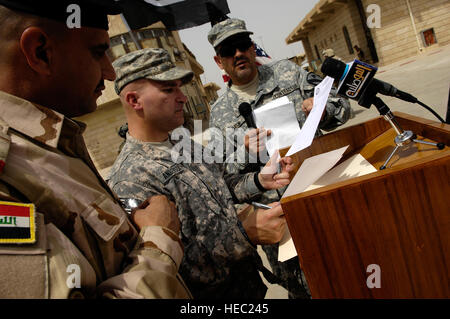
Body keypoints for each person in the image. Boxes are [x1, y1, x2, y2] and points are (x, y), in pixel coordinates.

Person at [0, 1, 190, 298]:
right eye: (98, 52)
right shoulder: (9, 168)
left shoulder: (51, 145)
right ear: (41, 52)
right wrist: (159, 241)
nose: (111, 72)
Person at [108, 48, 294, 299]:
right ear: (134, 101)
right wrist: (243, 235)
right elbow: (161, 269)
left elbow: (224, 184)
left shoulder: (182, 142)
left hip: (248, 287)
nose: (183, 97)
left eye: (179, 88)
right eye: (168, 89)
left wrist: (259, 180)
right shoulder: (130, 178)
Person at [207, 18, 352, 298]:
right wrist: (244, 153)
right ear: (219, 61)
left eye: (242, 45)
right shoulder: (220, 112)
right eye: (228, 50)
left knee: (350, 271)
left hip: (322, 194)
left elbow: (341, 105)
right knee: (304, 290)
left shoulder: (288, 73)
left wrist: (324, 110)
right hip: (279, 221)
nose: (238, 54)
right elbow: (226, 179)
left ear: (252, 48)